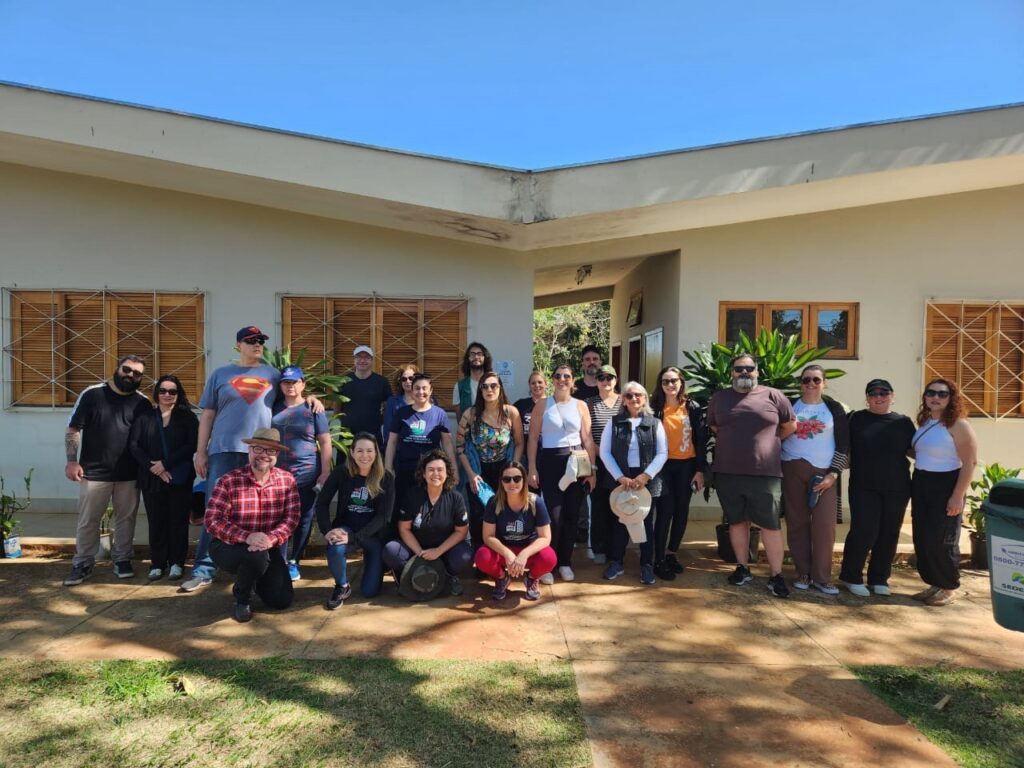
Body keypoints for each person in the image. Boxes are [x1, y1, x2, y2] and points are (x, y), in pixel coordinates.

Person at [185, 326, 309, 593]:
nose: (257, 344)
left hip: (262, 452)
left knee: (270, 508)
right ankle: (204, 570)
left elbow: (292, 396)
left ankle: (268, 566)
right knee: (214, 510)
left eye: (261, 340)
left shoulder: (272, 375)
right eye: (251, 340)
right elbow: (207, 415)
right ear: (238, 344)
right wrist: (201, 451)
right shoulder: (220, 374)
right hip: (224, 449)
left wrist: (312, 400)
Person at [707, 354, 796, 598]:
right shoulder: (719, 398)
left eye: (749, 368)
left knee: (770, 525)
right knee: (736, 522)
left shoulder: (774, 395)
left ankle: (776, 575)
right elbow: (714, 426)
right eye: (739, 369)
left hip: (764, 473)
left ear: (757, 371)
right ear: (731, 372)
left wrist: (769, 443)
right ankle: (742, 567)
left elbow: (789, 426)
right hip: (728, 472)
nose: (744, 372)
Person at [63, 355, 152, 586]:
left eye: (137, 373)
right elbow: (73, 429)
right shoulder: (93, 394)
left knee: (126, 519)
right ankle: (82, 562)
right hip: (94, 472)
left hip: (129, 474)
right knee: (88, 520)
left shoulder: (142, 402)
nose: (131, 375)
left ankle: (122, 559)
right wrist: (72, 461)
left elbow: (146, 438)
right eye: (127, 369)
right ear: (117, 368)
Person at [206, 428, 300, 623]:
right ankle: (243, 599)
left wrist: (270, 539)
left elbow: (291, 518)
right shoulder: (229, 480)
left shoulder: (287, 480)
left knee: (281, 600)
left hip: (266, 546)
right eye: (258, 448)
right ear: (249, 450)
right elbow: (213, 520)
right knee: (256, 556)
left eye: (270, 450)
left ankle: (252, 579)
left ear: (277, 454)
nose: (264, 455)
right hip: (228, 546)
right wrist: (247, 537)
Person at [838, 379, 916, 597]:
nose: (879, 397)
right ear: (867, 398)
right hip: (863, 486)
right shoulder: (856, 419)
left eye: (884, 393)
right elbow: (841, 444)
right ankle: (851, 576)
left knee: (889, 532)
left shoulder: (903, 422)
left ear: (892, 396)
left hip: (897, 487)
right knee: (863, 530)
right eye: (873, 393)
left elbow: (915, 450)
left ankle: (879, 578)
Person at [780, 365, 850, 594]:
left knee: (824, 526)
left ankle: (822, 577)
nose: (811, 384)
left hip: (824, 473)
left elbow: (844, 444)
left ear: (824, 383)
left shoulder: (834, 409)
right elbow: (776, 435)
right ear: (800, 383)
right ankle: (803, 572)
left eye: (816, 380)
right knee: (797, 522)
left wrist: (833, 473)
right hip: (792, 468)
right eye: (806, 380)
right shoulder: (789, 405)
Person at [908, 378, 978, 607]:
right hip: (922, 481)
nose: (935, 397)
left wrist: (957, 495)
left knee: (943, 539)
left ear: (951, 398)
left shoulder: (959, 425)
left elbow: (970, 462)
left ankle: (949, 587)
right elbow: (923, 452)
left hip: (947, 484)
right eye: (931, 393)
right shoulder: (926, 421)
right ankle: (935, 583)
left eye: (942, 394)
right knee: (923, 536)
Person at [526, 363, 597, 584]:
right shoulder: (542, 405)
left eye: (566, 376)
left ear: (573, 380)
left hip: (575, 462)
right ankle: (549, 563)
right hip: (550, 463)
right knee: (553, 517)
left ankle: (565, 562)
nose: (562, 379)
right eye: (558, 375)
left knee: (572, 515)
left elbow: (587, 439)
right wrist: (532, 468)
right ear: (553, 379)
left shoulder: (580, 405)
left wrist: (592, 470)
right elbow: (533, 438)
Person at [128, 374, 199, 581]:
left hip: (179, 477)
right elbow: (134, 446)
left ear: (178, 393)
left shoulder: (187, 417)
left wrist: (165, 465)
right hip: (151, 477)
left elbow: (192, 445)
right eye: (163, 391)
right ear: (156, 393)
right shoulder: (145, 417)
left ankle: (177, 563)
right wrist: (154, 467)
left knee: (178, 521)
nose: (167, 394)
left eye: (172, 391)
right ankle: (158, 563)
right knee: (156, 521)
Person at [315, 432, 395, 609]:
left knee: (369, 591)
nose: (365, 455)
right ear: (352, 452)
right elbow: (322, 503)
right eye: (360, 451)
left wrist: (354, 538)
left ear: (376, 453)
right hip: (347, 528)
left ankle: (371, 563)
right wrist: (327, 530)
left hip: (373, 537)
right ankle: (342, 585)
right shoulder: (341, 473)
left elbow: (384, 517)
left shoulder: (386, 478)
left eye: (369, 451)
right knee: (335, 546)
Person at [600, 381, 668, 584]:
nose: (634, 399)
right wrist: (619, 477)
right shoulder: (614, 422)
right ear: (624, 400)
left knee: (645, 522)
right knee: (621, 521)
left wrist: (646, 475)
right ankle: (616, 562)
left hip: (646, 478)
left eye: (638, 395)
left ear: (645, 398)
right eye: (629, 395)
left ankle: (646, 565)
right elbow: (604, 452)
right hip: (622, 477)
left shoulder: (655, 423)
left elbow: (663, 453)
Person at [383, 450, 473, 597]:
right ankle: (408, 575)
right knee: (391, 550)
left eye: (440, 470)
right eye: (430, 470)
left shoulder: (455, 498)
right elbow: (404, 528)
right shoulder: (412, 495)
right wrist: (420, 553)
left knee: (465, 556)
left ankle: (448, 577)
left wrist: (438, 551)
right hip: (416, 550)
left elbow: (461, 531)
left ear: (447, 473)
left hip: (444, 551)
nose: (435, 474)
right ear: (423, 474)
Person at [272, 365, 333, 582]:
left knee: (304, 518)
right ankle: (279, 563)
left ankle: (294, 561)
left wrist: (325, 472)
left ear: (303, 384)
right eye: (286, 382)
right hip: (277, 475)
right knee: (279, 518)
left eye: (295, 382)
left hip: (306, 473)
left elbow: (325, 441)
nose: (290, 386)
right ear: (280, 385)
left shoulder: (313, 409)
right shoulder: (272, 407)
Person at [650, 366, 708, 581]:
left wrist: (700, 470)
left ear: (681, 382)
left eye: (674, 380)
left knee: (681, 511)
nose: (670, 385)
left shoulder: (692, 406)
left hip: (687, 466)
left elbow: (700, 440)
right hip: (663, 466)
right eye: (665, 381)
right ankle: (658, 559)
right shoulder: (655, 407)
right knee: (665, 511)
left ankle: (671, 553)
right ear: (660, 384)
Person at [456, 371, 524, 550]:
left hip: (504, 470)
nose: (489, 390)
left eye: (493, 385)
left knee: (505, 512)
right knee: (479, 515)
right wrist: (471, 474)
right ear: (480, 390)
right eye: (484, 386)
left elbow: (519, 443)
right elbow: (460, 447)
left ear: (500, 388)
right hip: (478, 471)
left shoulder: (511, 413)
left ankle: (504, 553)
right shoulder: (470, 414)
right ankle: (481, 555)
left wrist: (513, 470)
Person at [474, 461, 557, 600]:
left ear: (524, 480)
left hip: (528, 550)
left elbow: (545, 537)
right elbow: (488, 536)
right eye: (507, 479)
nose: (512, 483)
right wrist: (507, 553)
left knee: (549, 558)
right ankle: (502, 578)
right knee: (482, 556)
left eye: (517, 478)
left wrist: (524, 554)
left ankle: (531, 578)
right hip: (503, 550)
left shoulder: (535, 501)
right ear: (501, 482)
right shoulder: (493, 503)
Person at [385, 373, 459, 523]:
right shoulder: (402, 413)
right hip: (405, 469)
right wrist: (388, 468)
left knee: (427, 509)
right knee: (402, 507)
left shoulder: (439, 414)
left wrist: (454, 468)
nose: (421, 392)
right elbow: (392, 442)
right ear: (412, 390)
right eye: (417, 388)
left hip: (431, 472)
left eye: (424, 388)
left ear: (431, 390)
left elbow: (447, 443)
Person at [586, 364, 621, 565]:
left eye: (609, 377)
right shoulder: (589, 403)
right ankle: (599, 548)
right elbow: (586, 434)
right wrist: (603, 454)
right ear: (596, 381)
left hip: (621, 463)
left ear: (616, 380)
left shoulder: (624, 402)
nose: (605, 381)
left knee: (618, 506)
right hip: (598, 461)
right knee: (599, 506)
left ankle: (616, 550)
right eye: (601, 378)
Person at [338, 345, 391, 441]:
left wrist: (379, 421)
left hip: (373, 432)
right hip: (347, 433)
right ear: (354, 360)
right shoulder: (344, 381)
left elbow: (387, 406)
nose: (362, 360)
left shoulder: (382, 382)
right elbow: (337, 405)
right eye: (359, 357)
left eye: (366, 357)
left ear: (372, 360)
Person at [512, 370, 547, 463]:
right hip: (525, 456)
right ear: (529, 385)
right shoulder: (520, 404)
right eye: (533, 383)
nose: (537, 385)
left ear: (546, 384)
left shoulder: (552, 404)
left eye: (540, 382)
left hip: (547, 454)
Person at [452, 342, 492, 418]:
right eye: (472, 354)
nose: (476, 357)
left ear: (485, 357)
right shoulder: (459, 386)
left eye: (479, 354)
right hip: (468, 425)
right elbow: (459, 417)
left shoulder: (493, 383)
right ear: (468, 358)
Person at [382, 363, 419, 441]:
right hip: (399, 446)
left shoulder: (429, 401)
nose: (408, 381)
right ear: (400, 382)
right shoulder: (392, 402)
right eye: (404, 379)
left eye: (411, 378)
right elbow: (388, 429)